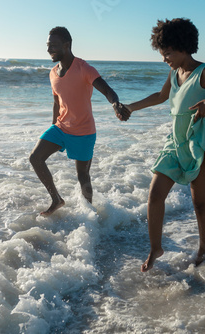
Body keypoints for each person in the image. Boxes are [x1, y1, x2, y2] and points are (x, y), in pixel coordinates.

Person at [125, 18, 205, 272]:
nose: (165, 59)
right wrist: (130, 107)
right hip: (175, 141)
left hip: (200, 140)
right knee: (154, 195)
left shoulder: (204, 72)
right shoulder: (174, 73)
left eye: (168, 53)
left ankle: (204, 247)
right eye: (162, 54)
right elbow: (161, 97)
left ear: (184, 47)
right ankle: (155, 248)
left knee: (199, 202)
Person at [30, 26, 130, 216]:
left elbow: (108, 90)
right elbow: (56, 102)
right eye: (48, 45)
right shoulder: (52, 73)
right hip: (60, 128)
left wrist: (115, 104)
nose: (49, 49)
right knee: (35, 158)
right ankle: (56, 199)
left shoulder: (84, 68)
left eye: (54, 45)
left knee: (83, 176)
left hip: (84, 131)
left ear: (66, 45)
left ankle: (89, 216)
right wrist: (53, 125)